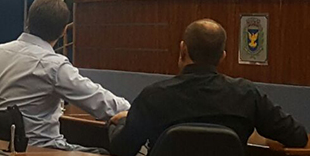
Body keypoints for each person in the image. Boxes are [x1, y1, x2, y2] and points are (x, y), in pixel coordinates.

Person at [108, 19, 308, 156]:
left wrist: (125, 120)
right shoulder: (246, 94)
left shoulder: (153, 96)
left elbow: (122, 149)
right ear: (222, 57)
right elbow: (297, 137)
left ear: (182, 50)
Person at [0, 0, 130, 152]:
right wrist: (133, 111)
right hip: (43, 149)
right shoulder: (53, 65)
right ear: (63, 31)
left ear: (28, 21)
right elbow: (101, 103)